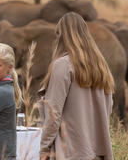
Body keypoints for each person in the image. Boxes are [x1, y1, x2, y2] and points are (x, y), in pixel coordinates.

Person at [39, 12, 114, 160]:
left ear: (61, 35)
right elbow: (108, 109)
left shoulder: (62, 65)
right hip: (97, 152)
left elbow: (53, 114)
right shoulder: (101, 66)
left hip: (70, 152)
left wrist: (43, 148)